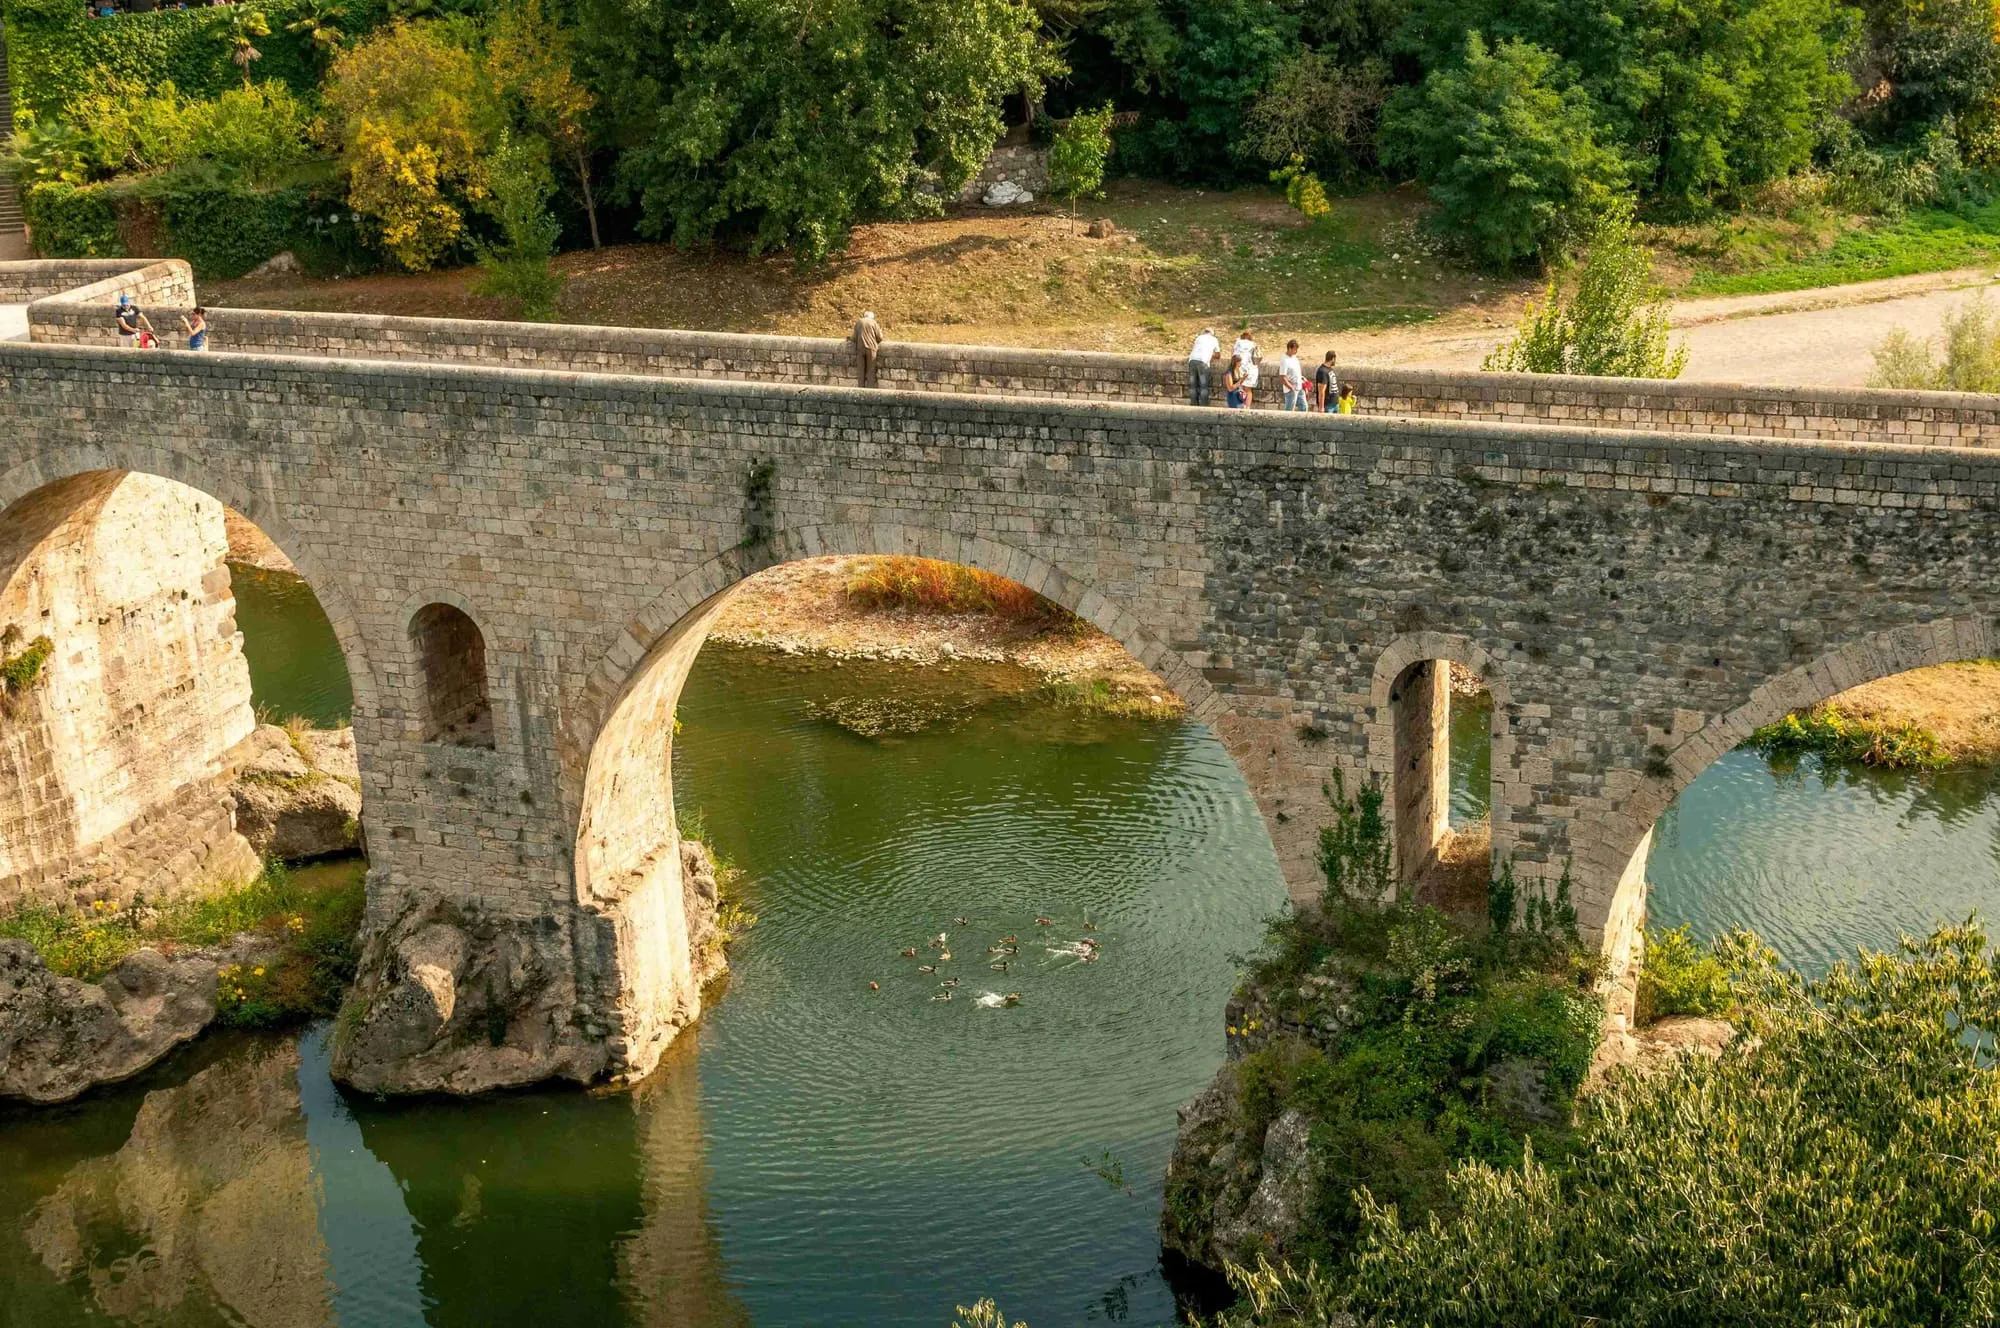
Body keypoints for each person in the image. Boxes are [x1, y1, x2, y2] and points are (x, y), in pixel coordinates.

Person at [1187, 327, 1219, 405]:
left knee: (1193, 385)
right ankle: (1204, 405)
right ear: (1212, 333)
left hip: (1192, 361)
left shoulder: (1199, 337)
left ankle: (1193, 404)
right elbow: (1218, 355)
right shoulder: (1214, 339)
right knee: (1203, 386)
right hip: (1202, 361)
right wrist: (1210, 353)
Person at [852, 311, 884, 388]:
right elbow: (880, 338)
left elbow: (854, 338)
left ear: (864, 316)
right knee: (871, 371)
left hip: (860, 349)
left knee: (861, 372)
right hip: (871, 349)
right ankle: (870, 391)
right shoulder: (874, 323)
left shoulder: (859, 322)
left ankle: (861, 390)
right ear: (872, 317)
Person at [1232, 327, 1258, 407]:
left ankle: (1241, 406)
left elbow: (1233, 355)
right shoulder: (1253, 344)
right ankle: (1247, 408)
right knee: (1248, 390)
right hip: (1251, 369)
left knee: (1240, 389)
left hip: (1240, 367)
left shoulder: (1238, 342)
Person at [1280, 339, 1307, 411]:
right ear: (1289, 348)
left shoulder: (1294, 357)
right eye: (1295, 349)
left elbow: (1296, 371)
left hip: (1299, 386)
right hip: (1291, 390)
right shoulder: (1284, 360)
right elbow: (1282, 377)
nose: (1296, 351)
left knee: (1304, 407)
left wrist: (1302, 379)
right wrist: (1291, 387)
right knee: (1289, 410)